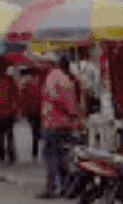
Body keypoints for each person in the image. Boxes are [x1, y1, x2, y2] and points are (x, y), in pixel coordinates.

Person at [39, 55, 82, 200]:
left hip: (53, 123)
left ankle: (52, 187)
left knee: (51, 156)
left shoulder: (53, 77)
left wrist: (68, 113)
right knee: (63, 157)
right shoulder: (67, 78)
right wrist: (74, 117)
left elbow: (55, 98)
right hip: (65, 124)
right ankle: (66, 187)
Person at [17, 67, 43, 161]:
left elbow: (21, 99)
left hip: (30, 111)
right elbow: (38, 96)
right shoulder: (33, 82)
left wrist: (22, 111)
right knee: (37, 130)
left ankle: (35, 152)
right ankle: (37, 151)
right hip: (37, 109)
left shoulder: (23, 83)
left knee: (35, 131)